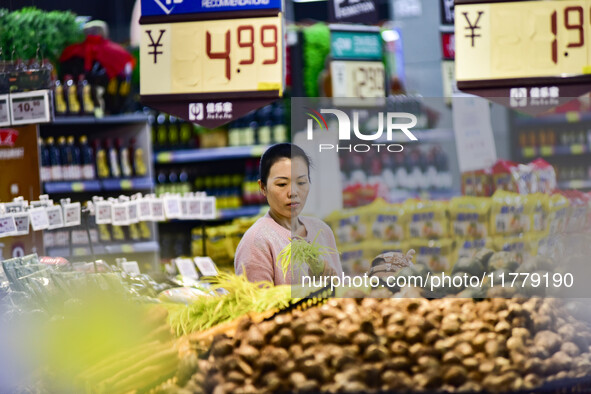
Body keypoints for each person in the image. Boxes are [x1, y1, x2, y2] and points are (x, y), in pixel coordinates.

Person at [234, 143, 343, 285]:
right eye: (281, 184)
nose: (293, 192)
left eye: (301, 182)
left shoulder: (322, 231)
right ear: (263, 187)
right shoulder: (256, 242)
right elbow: (259, 305)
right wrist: (312, 291)